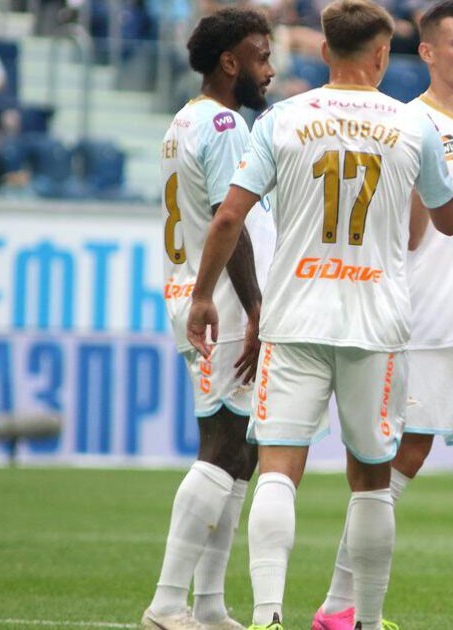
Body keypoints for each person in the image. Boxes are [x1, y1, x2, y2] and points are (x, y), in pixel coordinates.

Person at [186, 2, 453, 629]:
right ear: (382, 53)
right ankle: (367, 619)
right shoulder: (413, 124)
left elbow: (228, 217)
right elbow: (446, 220)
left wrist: (203, 295)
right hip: (376, 322)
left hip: (295, 317)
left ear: (324, 51)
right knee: (371, 477)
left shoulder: (282, 119)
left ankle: (267, 616)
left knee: (279, 470)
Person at [310, 3, 453, 630]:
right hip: (425, 320)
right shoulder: (408, 125)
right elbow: (403, 237)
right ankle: (338, 603)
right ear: (427, 52)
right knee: (403, 458)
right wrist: (427, 191)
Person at [142, 9, 276, 630]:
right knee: (223, 446)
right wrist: (253, 305)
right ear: (230, 62)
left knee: (242, 451)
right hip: (219, 300)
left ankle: (210, 604)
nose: (269, 69)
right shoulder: (224, 124)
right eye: (260, 56)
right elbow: (232, 220)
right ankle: (168, 602)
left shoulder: (184, 121)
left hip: (196, 292)